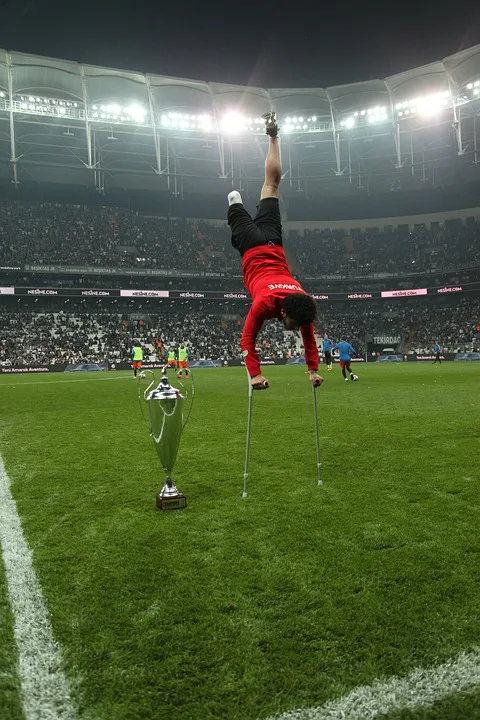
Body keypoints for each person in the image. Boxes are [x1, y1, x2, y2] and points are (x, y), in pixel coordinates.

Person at [227, 111, 323, 391]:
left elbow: (308, 339)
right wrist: (255, 375)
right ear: (284, 312)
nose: (296, 328)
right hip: (250, 246)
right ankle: (235, 202)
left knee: (271, 186)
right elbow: (247, 339)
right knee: (235, 201)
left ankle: (274, 136)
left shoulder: (301, 303)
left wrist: (313, 371)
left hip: (273, 241)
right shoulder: (264, 304)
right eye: (295, 324)